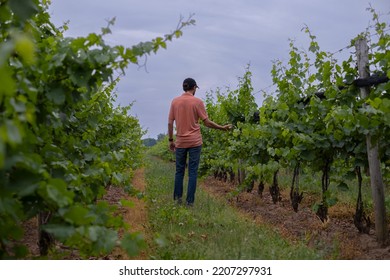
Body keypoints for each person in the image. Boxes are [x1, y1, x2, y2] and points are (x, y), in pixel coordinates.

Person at [168, 77, 232, 206]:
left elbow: (170, 122)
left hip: (180, 142)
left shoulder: (175, 102)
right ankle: (189, 202)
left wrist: (171, 140)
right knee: (192, 172)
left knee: (179, 171)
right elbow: (207, 122)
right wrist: (222, 127)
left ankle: (177, 199)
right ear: (194, 88)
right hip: (195, 142)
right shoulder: (197, 102)